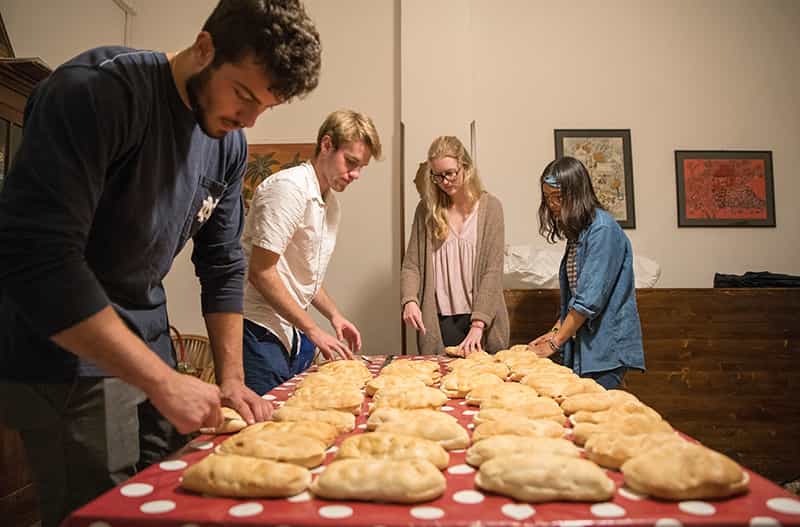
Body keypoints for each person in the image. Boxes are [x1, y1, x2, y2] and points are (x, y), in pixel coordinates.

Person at [0, 1, 321, 525]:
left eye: (265, 106)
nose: (248, 118)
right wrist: (162, 381)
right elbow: (41, 260)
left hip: (147, 335)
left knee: (176, 493)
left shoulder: (228, 144)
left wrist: (232, 377)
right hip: (67, 350)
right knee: (105, 510)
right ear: (204, 48)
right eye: (243, 94)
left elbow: (221, 264)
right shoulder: (98, 93)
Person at [241, 109, 382, 395]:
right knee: (263, 431)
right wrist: (314, 330)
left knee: (297, 423)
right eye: (351, 162)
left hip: (294, 330)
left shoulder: (330, 203)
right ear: (327, 145)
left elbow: (304, 276)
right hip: (259, 331)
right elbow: (261, 272)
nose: (355, 174)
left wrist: (334, 316)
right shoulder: (288, 190)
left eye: (361, 167)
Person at [528, 156, 645, 389]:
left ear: (576, 194)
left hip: (605, 348)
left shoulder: (602, 229)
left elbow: (588, 300)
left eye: (558, 198)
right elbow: (576, 297)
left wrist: (556, 343)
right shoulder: (578, 234)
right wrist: (553, 332)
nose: (552, 205)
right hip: (586, 346)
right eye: (548, 198)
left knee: (598, 418)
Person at [401, 136, 509, 356]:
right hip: (440, 322)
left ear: (465, 168)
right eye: (437, 176)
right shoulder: (426, 210)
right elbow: (411, 265)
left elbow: (493, 270)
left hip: (480, 322)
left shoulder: (491, 209)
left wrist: (478, 324)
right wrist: (410, 300)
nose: (444, 181)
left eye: (450, 173)